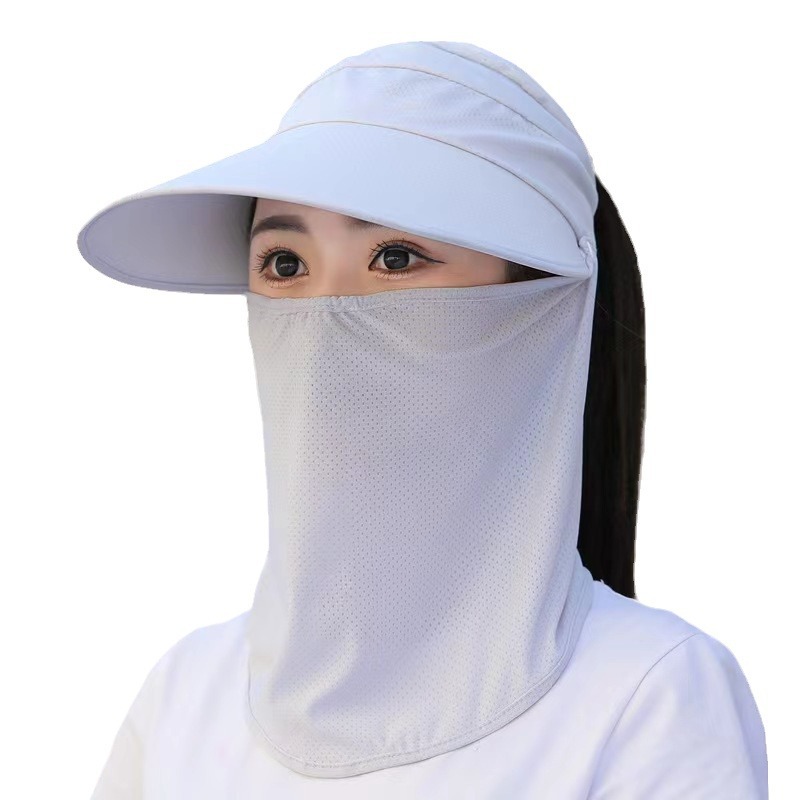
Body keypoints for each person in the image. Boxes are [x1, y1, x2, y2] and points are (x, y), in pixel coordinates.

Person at [77, 40, 768, 798]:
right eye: (285, 264)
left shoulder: (652, 696)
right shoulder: (185, 696)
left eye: (397, 258)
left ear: (541, 310)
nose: (326, 320)